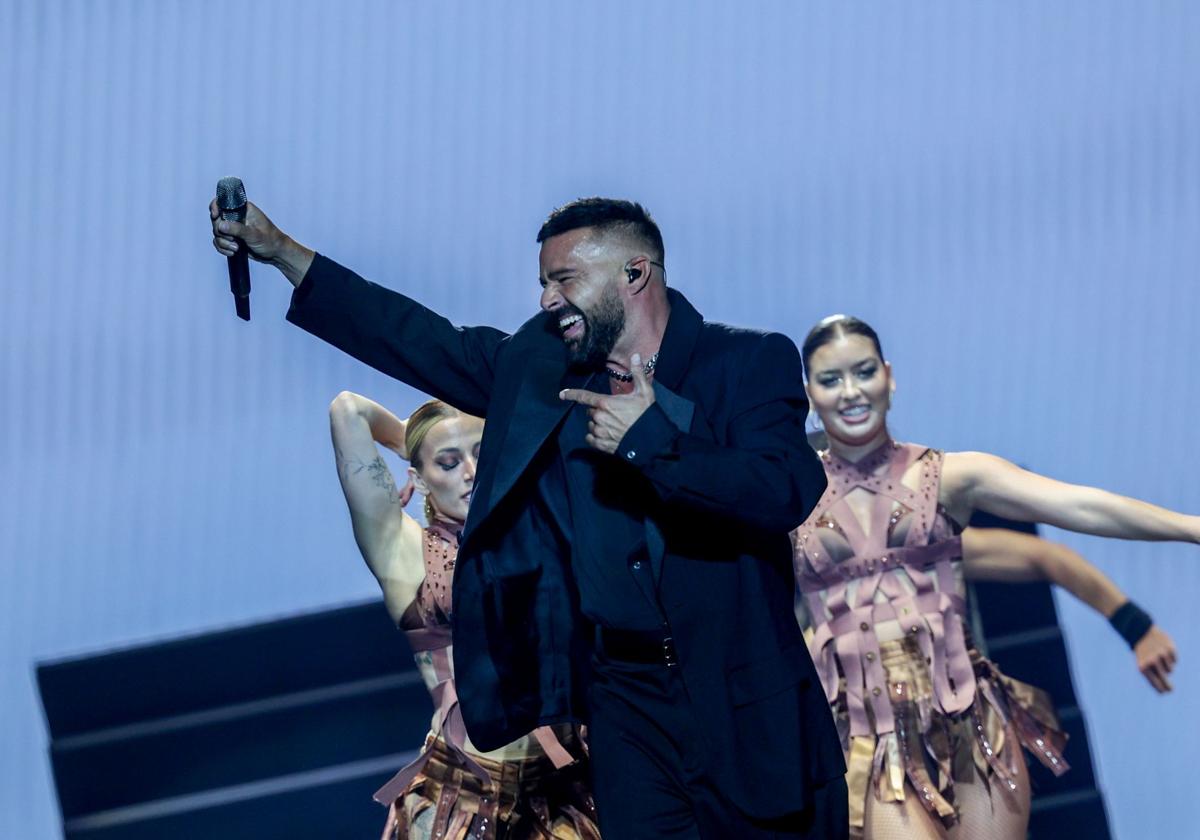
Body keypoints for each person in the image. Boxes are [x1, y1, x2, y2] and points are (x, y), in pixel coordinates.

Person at [209, 197, 848, 839]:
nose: (546, 299)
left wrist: (650, 438)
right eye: (543, 281)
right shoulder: (540, 371)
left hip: (743, 699)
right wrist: (285, 252)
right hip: (625, 705)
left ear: (635, 274)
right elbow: (421, 341)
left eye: (563, 279)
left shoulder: (744, 362)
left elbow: (782, 487)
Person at [792, 314, 1189, 840]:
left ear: (889, 376)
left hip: (969, 722)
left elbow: (1078, 509)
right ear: (809, 393)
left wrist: (1191, 530)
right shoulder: (787, 496)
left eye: (864, 372)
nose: (851, 391)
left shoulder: (948, 478)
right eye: (831, 379)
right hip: (865, 737)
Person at [328, 392, 599, 839]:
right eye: (448, 463)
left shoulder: (542, 529)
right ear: (420, 476)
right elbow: (347, 410)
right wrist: (411, 441)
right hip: (461, 801)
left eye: (481, 453)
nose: (471, 473)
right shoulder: (404, 551)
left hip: (567, 789)